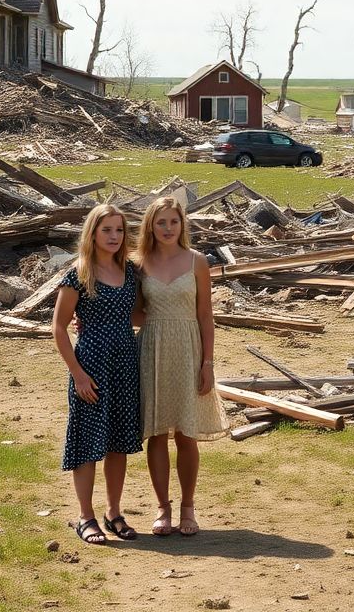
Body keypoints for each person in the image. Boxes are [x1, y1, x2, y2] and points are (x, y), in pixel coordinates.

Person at [135, 196, 228, 536]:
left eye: (173, 222)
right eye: (161, 222)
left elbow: (206, 315)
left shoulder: (197, 262)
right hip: (153, 349)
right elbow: (131, 311)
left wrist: (208, 363)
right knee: (157, 433)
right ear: (151, 226)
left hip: (190, 349)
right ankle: (163, 508)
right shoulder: (140, 263)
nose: (167, 228)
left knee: (187, 433)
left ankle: (188, 507)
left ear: (182, 225)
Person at [52, 204, 142, 544]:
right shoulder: (79, 273)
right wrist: (77, 374)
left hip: (124, 364)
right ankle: (85, 517)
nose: (114, 236)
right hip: (91, 366)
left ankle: (113, 512)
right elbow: (58, 328)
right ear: (93, 233)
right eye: (107, 230)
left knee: (118, 442)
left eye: (119, 230)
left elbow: (137, 316)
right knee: (87, 443)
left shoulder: (130, 272)